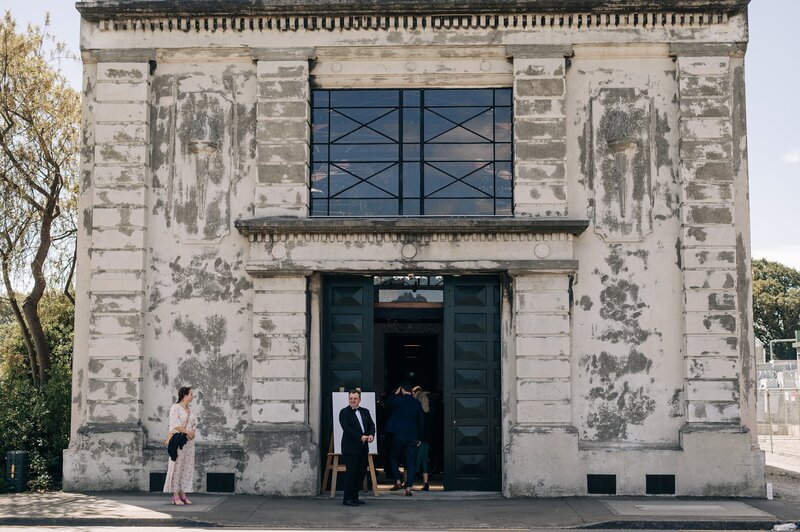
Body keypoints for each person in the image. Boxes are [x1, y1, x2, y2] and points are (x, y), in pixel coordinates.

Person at [384, 380, 424, 496]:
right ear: (411, 391)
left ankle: (397, 481)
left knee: (393, 457)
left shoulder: (397, 400)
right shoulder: (417, 403)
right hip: (412, 436)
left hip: (397, 435)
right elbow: (421, 422)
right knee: (411, 462)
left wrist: (396, 393)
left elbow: (387, 403)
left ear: (401, 389)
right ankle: (408, 488)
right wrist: (419, 437)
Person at [339, 389, 375, 507]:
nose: (353, 400)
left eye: (355, 398)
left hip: (363, 448)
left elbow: (371, 425)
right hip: (350, 448)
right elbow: (347, 429)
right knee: (351, 473)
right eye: (351, 398)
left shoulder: (365, 411)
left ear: (359, 399)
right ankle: (347, 499)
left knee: (361, 473)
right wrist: (361, 437)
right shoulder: (344, 412)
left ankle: (355, 497)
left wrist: (371, 435)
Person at [163, 386, 198, 505]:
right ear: (185, 395)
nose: (192, 396)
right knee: (177, 466)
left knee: (187, 467)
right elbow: (175, 425)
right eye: (191, 394)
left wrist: (193, 433)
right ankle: (175, 494)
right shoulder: (175, 408)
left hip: (189, 442)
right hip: (179, 441)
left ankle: (183, 493)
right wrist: (188, 432)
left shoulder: (190, 410)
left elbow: (194, 424)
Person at [412, 385, 432, 491]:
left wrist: (417, 438)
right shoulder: (429, 409)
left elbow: (419, 425)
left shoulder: (417, 409)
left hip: (419, 438)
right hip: (427, 439)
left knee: (413, 460)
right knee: (424, 460)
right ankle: (426, 483)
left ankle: (408, 482)